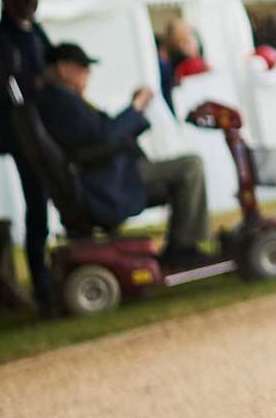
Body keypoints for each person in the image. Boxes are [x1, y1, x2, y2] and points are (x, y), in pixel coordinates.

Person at [33, 43, 212, 271]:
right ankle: (184, 248)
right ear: (64, 68)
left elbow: (101, 134)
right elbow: (106, 136)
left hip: (107, 175)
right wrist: (136, 107)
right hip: (108, 180)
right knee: (190, 166)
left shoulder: (61, 99)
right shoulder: (61, 101)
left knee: (182, 173)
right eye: (84, 69)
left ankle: (181, 245)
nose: (88, 75)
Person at [0, 0, 55, 310]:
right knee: (36, 207)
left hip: (52, 129)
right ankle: (42, 286)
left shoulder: (36, 32)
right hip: (24, 134)